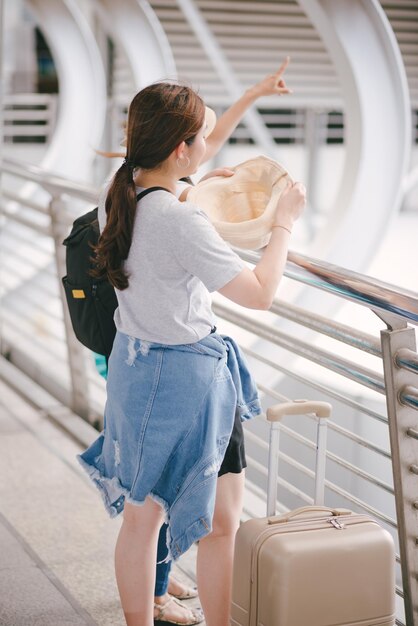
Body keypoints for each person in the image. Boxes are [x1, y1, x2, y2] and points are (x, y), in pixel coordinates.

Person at [78, 73, 305, 626]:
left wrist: (196, 186)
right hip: (189, 382)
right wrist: (283, 226)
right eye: (200, 139)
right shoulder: (179, 219)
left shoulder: (124, 191)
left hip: (140, 369)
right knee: (214, 523)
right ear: (181, 150)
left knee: (147, 516)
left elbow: (177, 206)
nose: (208, 148)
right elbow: (259, 294)